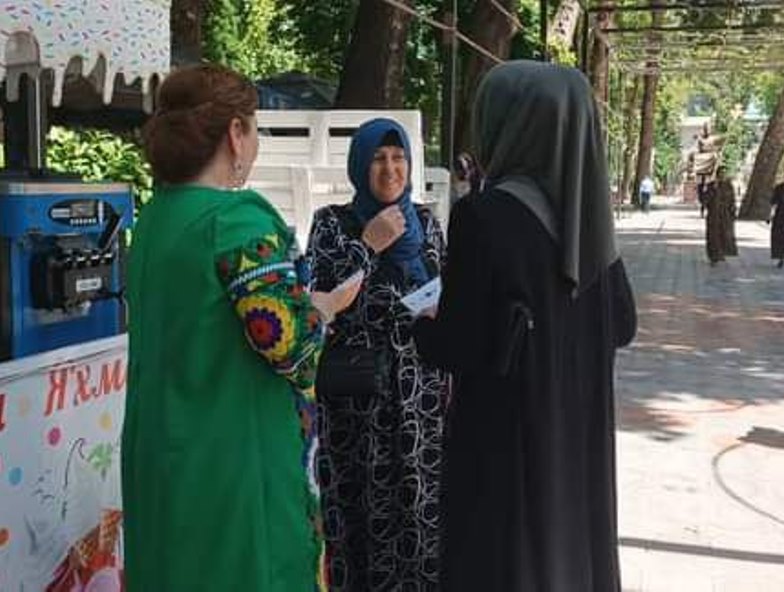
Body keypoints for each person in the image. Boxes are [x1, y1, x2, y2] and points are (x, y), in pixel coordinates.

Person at [122, 64, 360, 591]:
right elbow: (293, 349)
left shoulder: (154, 220)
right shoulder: (236, 223)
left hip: (163, 458)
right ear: (235, 132)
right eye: (255, 128)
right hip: (233, 465)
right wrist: (323, 309)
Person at [412, 61, 637, 591]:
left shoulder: (483, 216)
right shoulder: (589, 221)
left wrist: (425, 326)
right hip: (577, 437)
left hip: (505, 445)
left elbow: (459, 346)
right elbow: (624, 324)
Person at [307, 118, 449, 590]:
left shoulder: (425, 222)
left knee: (424, 516)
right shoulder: (332, 224)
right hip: (358, 404)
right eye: (378, 159)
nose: (390, 169)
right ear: (359, 166)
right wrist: (368, 245)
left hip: (422, 399)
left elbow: (448, 288)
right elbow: (323, 305)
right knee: (363, 519)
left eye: (398, 157)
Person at [706, 167, 739, 265]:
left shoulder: (729, 186)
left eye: (724, 174)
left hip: (725, 215)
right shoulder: (711, 185)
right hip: (714, 215)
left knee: (724, 235)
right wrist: (713, 189)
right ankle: (714, 256)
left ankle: (722, 253)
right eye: (720, 173)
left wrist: (733, 213)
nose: (722, 176)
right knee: (713, 236)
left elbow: (732, 200)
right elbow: (705, 199)